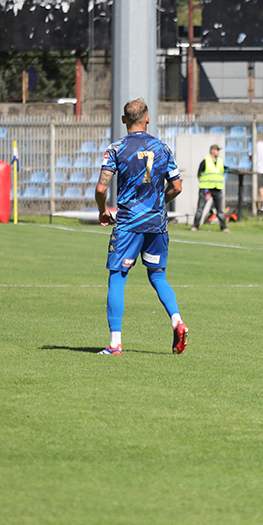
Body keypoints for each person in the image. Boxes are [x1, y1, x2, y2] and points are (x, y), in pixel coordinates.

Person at [94, 98, 188, 355]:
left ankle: (115, 343)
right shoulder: (163, 148)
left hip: (129, 224)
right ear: (147, 118)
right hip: (156, 223)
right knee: (158, 276)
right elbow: (177, 186)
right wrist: (159, 203)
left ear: (124, 120)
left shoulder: (116, 149)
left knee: (117, 277)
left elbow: (102, 187)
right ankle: (177, 321)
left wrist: (103, 210)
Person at [191, 144, 229, 232]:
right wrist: (205, 185)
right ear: (212, 150)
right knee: (200, 208)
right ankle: (195, 226)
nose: (218, 152)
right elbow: (199, 174)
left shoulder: (220, 161)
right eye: (217, 150)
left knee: (220, 210)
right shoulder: (205, 161)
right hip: (206, 188)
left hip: (217, 188)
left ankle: (224, 227)